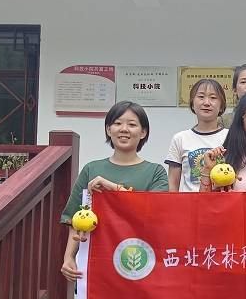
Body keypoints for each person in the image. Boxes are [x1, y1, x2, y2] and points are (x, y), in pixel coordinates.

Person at [60, 101, 168, 281]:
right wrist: (69, 257)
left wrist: (111, 187)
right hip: (99, 261)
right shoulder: (91, 169)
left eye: (132, 124)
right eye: (117, 123)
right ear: (108, 130)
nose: (124, 129)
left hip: (142, 261)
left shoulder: (156, 172)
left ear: (143, 132)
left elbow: (155, 211)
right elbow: (75, 219)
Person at [165, 78, 229, 192]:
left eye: (213, 98)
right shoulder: (180, 138)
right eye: (201, 97)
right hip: (189, 203)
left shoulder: (230, 136)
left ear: (221, 106)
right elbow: (172, 186)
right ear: (192, 104)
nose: (206, 103)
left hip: (223, 202)